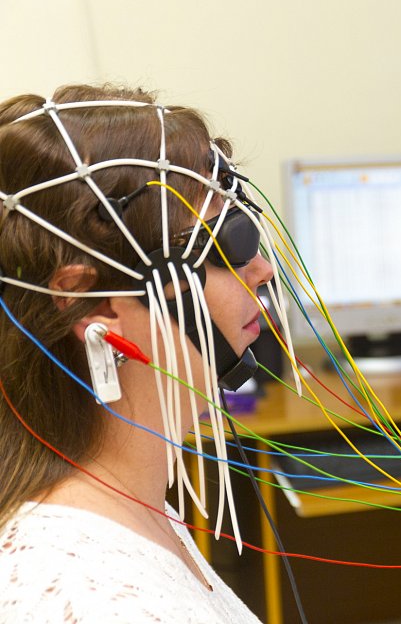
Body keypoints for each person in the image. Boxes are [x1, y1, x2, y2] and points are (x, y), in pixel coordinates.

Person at [0, 84, 273, 622]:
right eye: (227, 245)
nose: (261, 270)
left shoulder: (125, 504)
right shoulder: (86, 598)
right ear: (93, 303)